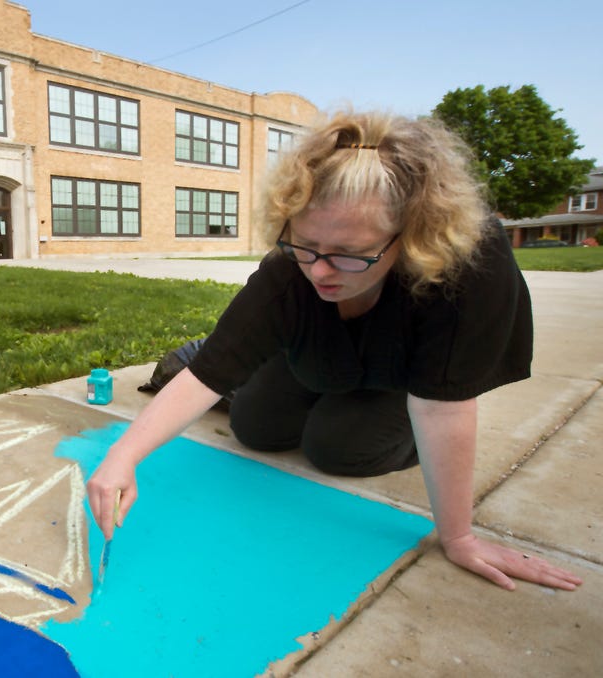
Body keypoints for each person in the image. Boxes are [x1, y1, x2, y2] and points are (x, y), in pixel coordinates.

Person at [86, 110, 582, 592]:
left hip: (405, 376)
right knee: (254, 427)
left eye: (349, 253)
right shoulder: (292, 265)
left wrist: (457, 536)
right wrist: (123, 456)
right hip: (321, 355)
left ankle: (367, 416)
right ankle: (299, 372)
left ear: (412, 236)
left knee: (338, 447)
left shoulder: (468, 264)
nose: (320, 270)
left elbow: (443, 403)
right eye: (305, 244)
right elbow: (209, 373)